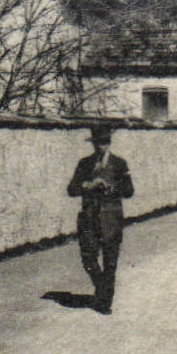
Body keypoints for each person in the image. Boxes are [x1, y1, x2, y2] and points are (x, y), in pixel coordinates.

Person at [67, 125, 134, 314]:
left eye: (104, 143)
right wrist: (87, 185)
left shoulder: (119, 164)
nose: (101, 147)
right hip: (88, 219)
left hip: (111, 219)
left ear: (109, 143)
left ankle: (105, 303)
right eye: (98, 143)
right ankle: (102, 288)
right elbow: (71, 189)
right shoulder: (85, 163)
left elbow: (129, 191)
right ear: (94, 144)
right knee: (88, 259)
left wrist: (111, 188)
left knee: (110, 262)